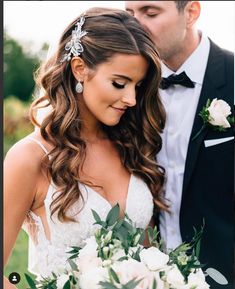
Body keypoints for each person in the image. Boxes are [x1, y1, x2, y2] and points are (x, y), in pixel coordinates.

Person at [4, 7, 168, 288]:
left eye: (138, 86)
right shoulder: (30, 157)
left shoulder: (132, 146)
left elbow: (150, 260)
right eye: (119, 83)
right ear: (80, 69)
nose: (131, 99)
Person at [125, 1, 234, 288]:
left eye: (150, 13)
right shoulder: (124, 89)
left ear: (191, 12)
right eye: (130, 14)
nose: (135, 25)